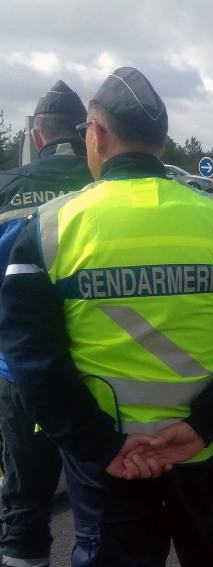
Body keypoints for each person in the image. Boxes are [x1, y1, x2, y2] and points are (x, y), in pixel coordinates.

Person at [0, 67, 213, 566]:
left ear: (96, 133)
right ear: (162, 141)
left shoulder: (49, 230)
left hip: (109, 464)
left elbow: (32, 359)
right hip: (208, 452)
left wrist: (101, 444)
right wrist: (204, 426)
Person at [0, 80, 94, 567]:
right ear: (85, 134)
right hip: (99, 373)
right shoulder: (104, 185)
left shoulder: (6, 190)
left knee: (24, 509)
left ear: (37, 136)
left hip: (21, 376)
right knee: (103, 509)